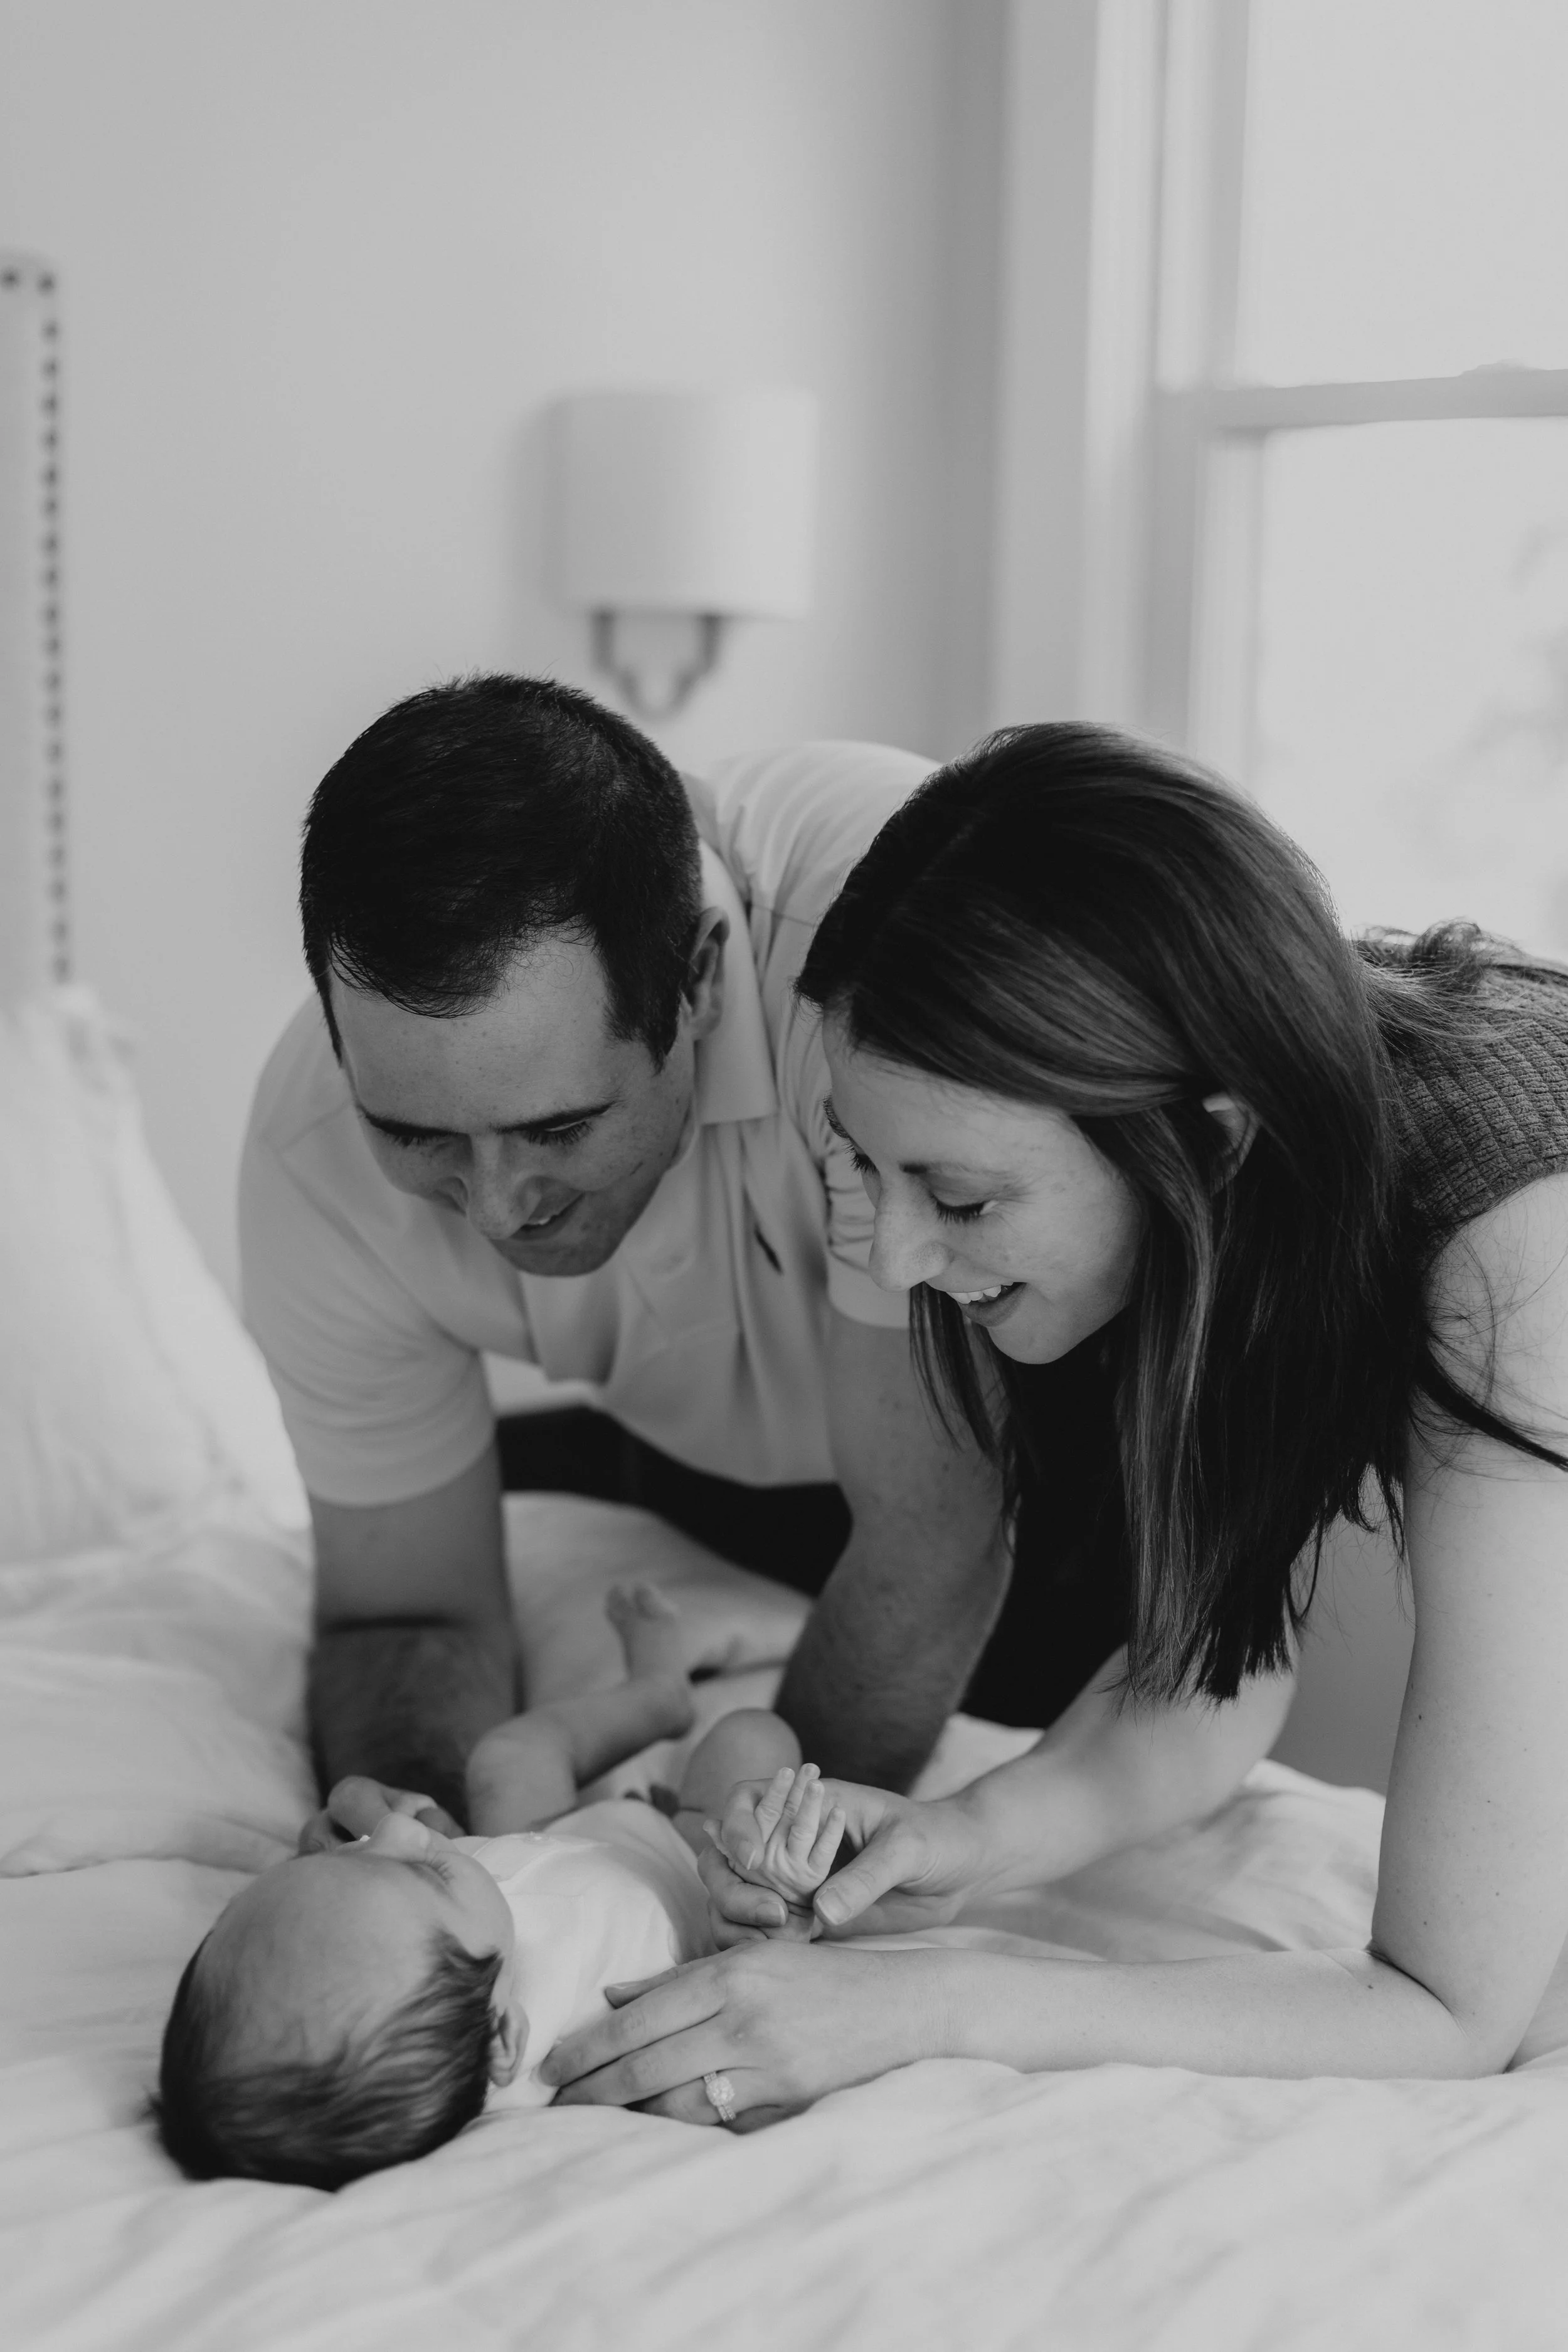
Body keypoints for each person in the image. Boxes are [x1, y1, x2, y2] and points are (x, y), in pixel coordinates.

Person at [538, 721, 1568, 2124]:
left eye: (957, 1200)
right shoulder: (1236, 1187)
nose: (895, 1261)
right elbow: (1204, 1674)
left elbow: (1451, 2008)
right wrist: (960, 1840)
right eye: (861, 1165)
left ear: (1206, 1139)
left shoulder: (1514, 1260)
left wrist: (936, 2003)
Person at [240, 674, 1010, 1851]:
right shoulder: (312, 1155)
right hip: (697, 1468)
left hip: (1040, 1474)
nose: (498, 1208)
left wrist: (709, 1895)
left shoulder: (877, 967)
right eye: (419, 1135)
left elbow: (933, 1540)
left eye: (558, 1129)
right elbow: (407, 1609)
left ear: (700, 981)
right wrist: (438, 1876)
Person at [154, 1586, 847, 2186]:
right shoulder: (596, 2043)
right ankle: (676, 1717)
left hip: (551, 1838)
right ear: (504, 2035)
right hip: (687, 1861)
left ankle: (653, 1699)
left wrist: (369, 1820)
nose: (399, 1836)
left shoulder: (423, 1959)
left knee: (505, 1761)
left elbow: (384, 1840)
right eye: (423, 1868)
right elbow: (744, 1986)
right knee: (751, 1738)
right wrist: (771, 1893)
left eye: (341, 1864)